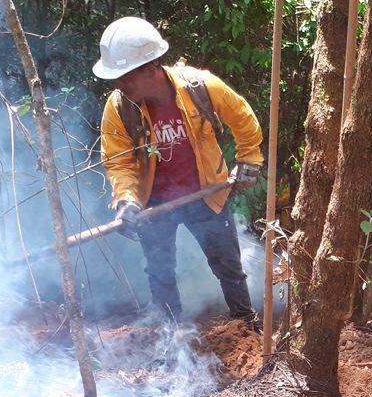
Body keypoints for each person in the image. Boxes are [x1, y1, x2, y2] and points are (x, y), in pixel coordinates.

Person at [94, 16, 264, 329]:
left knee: (228, 263)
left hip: (207, 192)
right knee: (160, 272)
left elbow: (243, 118)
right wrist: (126, 201)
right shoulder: (119, 107)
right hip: (155, 202)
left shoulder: (201, 87)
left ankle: (245, 323)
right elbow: (118, 161)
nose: (118, 85)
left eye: (125, 77)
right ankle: (173, 336)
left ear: (149, 69)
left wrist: (249, 159)